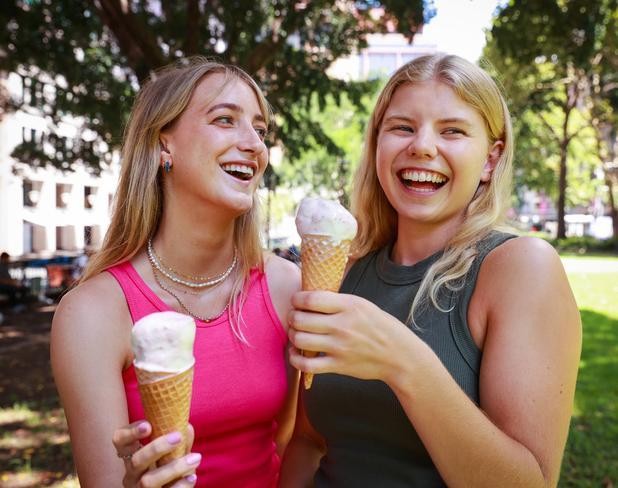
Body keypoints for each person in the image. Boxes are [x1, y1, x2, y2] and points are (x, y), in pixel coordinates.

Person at [281, 53, 581, 487]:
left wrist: (402, 360)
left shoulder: (520, 268)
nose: (421, 146)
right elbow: (308, 441)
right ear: (377, 145)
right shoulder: (344, 272)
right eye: (402, 127)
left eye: (452, 131)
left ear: (490, 160)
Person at [51, 58, 300, 487]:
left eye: (260, 131)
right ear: (165, 144)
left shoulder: (286, 286)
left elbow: (295, 441)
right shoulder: (93, 313)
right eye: (226, 119)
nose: (255, 145)